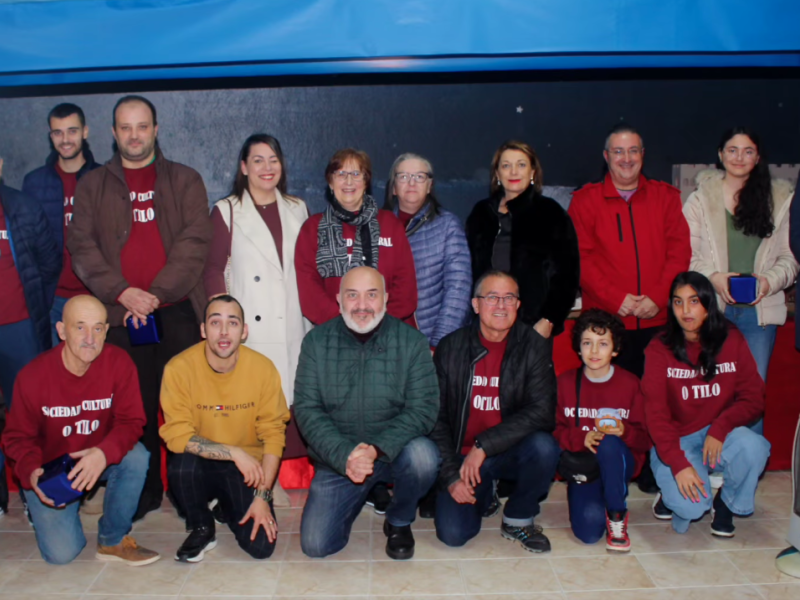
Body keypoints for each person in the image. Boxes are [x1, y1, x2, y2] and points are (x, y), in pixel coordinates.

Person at [68, 95, 213, 520]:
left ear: (155, 129)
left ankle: (196, 490)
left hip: (176, 310)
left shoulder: (186, 179)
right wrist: (123, 293)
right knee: (135, 410)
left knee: (188, 406)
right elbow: (81, 247)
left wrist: (153, 294)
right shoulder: (92, 186)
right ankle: (145, 493)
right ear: (113, 134)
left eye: (142, 126)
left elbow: (195, 244)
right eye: (126, 127)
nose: (134, 135)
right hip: (118, 314)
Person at [294, 266, 440, 560]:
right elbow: (308, 410)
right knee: (316, 545)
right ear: (339, 300)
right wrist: (346, 455)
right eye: (352, 295)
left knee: (424, 457)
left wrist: (375, 449)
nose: (362, 305)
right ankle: (363, 493)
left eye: (371, 295)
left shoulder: (412, 342)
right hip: (339, 459)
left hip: (393, 451)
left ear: (385, 299)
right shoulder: (315, 342)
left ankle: (399, 520)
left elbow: (424, 408)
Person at [1, 295, 159, 565]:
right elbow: (16, 437)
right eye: (80, 327)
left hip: (96, 457)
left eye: (98, 328)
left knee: (137, 456)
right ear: (62, 330)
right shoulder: (33, 376)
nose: (90, 338)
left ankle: (112, 539)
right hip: (50, 469)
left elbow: (132, 421)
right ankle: (65, 508)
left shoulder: (119, 363)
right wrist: (32, 471)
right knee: (62, 554)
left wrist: (103, 453)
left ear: (106, 331)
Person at [203, 134, 310, 502]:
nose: (268, 168)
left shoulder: (298, 208)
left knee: (287, 406)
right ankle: (251, 483)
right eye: (258, 160)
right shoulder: (227, 210)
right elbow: (213, 269)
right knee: (256, 406)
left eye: (274, 159)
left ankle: (273, 476)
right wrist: (223, 324)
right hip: (252, 328)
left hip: (292, 325)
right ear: (244, 168)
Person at [430, 270, 559, 552]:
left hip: (505, 450)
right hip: (461, 457)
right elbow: (434, 419)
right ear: (475, 305)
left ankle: (518, 517)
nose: (501, 305)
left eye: (509, 298)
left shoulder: (533, 347)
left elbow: (543, 411)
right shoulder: (450, 348)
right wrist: (451, 477)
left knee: (544, 446)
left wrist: (484, 446)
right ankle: (484, 492)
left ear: (518, 305)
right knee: (453, 535)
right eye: (492, 297)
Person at [160, 295, 290, 562]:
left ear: (243, 331)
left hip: (246, 470)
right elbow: (176, 437)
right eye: (215, 322)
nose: (223, 331)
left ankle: (226, 506)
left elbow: (274, 434)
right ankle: (201, 526)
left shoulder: (263, 368)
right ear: (203, 329)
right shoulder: (179, 368)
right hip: (199, 464)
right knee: (180, 465)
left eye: (232, 323)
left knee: (261, 548)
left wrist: (263, 496)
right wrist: (233, 452)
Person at [643, 271, 770, 536]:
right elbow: (655, 415)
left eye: (694, 301)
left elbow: (754, 397)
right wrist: (678, 464)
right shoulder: (659, 348)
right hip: (677, 440)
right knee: (692, 509)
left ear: (707, 304)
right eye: (678, 302)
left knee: (754, 446)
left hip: (717, 435)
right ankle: (669, 493)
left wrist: (721, 426)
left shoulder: (731, 338)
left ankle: (726, 502)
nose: (685, 311)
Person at [683, 127, 798, 405]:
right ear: (720, 155)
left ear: (757, 158)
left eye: (748, 151)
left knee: (751, 399)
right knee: (710, 396)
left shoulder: (782, 200)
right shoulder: (699, 200)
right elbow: (686, 254)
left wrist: (769, 281)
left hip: (759, 315)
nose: (739, 157)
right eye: (732, 150)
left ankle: (749, 451)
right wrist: (714, 277)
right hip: (712, 311)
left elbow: (791, 256)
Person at [569, 124, 691, 377]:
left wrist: (657, 298)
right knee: (608, 405)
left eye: (633, 151)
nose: (626, 159)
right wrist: (616, 299)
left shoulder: (666, 197)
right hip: (604, 327)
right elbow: (580, 259)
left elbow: (679, 253)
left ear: (642, 155)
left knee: (656, 403)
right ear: (606, 156)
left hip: (656, 322)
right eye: (618, 152)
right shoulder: (584, 201)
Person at [554, 309, 650, 551]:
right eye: (587, 343)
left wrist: (624, 432)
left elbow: (646, 439)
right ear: (578, 347)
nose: (594, 351)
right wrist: (581, 437)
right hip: (584, 466)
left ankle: (617, 513)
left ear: (615, 349)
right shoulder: (564, 383)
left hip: (619, 461)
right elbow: (552, 430)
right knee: (588, 533)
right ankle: (602, 501)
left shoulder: (630, 384)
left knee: (608, 442)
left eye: (603, 344)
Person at [466, 140, 579, 339]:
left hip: (533, 328)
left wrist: (548, 320)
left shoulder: (550, 213)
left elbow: (567, 276)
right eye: (506, 165)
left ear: (533, 172)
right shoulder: (481, 213)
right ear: (497, 174)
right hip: (486, 325)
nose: (514, 172)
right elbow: (469, 272)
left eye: (521, 164)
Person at [295, 148, 418, 327]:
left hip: (387, 333)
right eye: (341, 174)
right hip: (334, 334)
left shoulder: (390, 224)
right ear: (330, 182)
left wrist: (375, 324)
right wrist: (346, 327)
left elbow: (405, 288)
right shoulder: (312, 228)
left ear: (366, 181)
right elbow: (309, 292)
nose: (349, 181)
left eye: (356, 173)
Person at [0, 157, 61, 500]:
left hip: (20, 329)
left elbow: (49, 261)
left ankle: (33, 494)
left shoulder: (23, 206)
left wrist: (35, 304)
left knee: (29, 417)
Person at [22, 103, 100, 344]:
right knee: (55, 373)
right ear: (50, 135)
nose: (65, 139)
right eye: (58, 132)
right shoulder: (34, 182)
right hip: (51, 298)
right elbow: (26, 244)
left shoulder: (104, 178)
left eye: (72, 131)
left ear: (85, 131)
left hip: (95, 295)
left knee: (96, 374)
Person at [383, 152, 472, 348]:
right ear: (394, 188)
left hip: (429, 340)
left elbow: (458, 291)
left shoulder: (448, 226)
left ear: (430, 185)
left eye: (419, 176)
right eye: (404, 176)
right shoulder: (377, 226)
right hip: (386, 341)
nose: (412, 183)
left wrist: (438, 345)